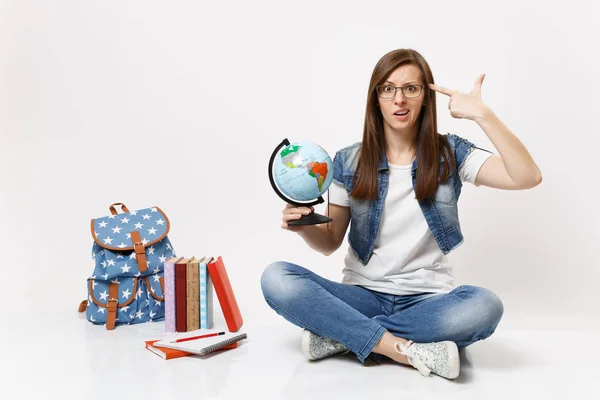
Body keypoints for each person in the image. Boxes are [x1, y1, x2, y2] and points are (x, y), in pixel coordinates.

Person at [260, 48, 542, 380]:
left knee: (484, 306)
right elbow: (329, 243)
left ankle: (344, 336)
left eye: (411, 88)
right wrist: (305, 225)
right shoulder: (348, 161)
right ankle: (406, 350)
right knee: (277, 278)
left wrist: (483, 115)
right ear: (376, 97)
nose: (399, 99)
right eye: (388, 89)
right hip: (361, 296)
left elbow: (527, 177)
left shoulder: (451, 154)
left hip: (427, 302)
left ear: (425, 97)